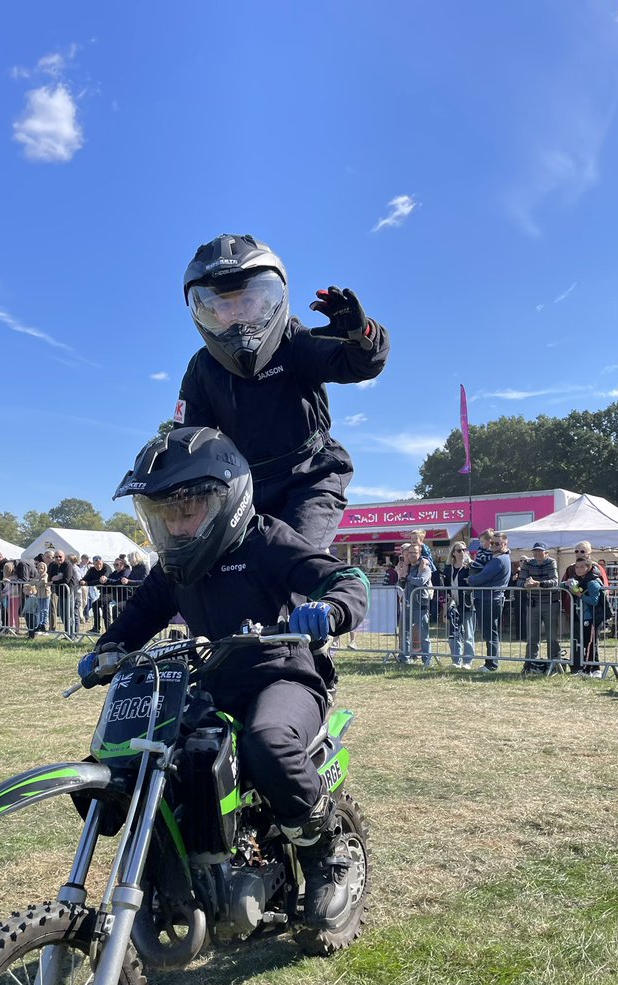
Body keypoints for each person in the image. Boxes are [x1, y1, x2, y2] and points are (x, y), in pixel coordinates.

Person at [78, 426, 368, 930]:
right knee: (133, 757)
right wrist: (107, 651)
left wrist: (331, 607)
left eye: (187, 509)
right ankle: (173, 866)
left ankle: (324, 855)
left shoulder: (265, 540)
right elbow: (138, 618)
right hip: (213, 683)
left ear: (225, 499)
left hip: (284, 678)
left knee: (269, 741)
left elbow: (345, 578)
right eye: (165, 513)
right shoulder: (174, 568)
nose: (178, 524)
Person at [176, 234, 390, 551]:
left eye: (246, 301)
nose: (236, 313)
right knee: (225, 576)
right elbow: (189, 439)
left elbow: (359, 365)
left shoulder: (293, 341)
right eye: (225, 304)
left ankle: (331, 595)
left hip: (310, 477)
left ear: (267, 300)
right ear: (207, 310)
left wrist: (362, 335)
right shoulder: (203, 369)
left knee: (288, 565)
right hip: (242, 488)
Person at [468, 532, 511, 672]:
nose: (493, 545)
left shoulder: (498, 560)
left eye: (497, 543)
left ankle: (492, 664)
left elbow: (481, 577)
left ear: (504, 544)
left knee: (490, 632)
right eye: (492, 543)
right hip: (489, 598)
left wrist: (470, 580)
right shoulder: (497, 558)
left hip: (490, 599)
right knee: (489, 631)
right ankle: (490, 662)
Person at [561, 557, 608, 676]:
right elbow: (562, 586)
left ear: (589, 568)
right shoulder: (578, 580)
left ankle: (590, 669)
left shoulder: (592, 582)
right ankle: (586, 669)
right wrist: (566, 583)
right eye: (577, 567)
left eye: (582, 567)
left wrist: (580, 595)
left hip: (592, 617)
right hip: (583, 616)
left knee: (590, 644)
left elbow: (594, 601)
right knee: (585, 642)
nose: (578, 569)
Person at [518, 541, 560, 673]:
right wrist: (526, 585)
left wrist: (538, 584)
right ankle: (530, 665)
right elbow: (519, 581)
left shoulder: (551, 562)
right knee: (532, 637)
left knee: (552, 636)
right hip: (533, 603)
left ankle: (554, 665)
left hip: (551, 603)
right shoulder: (527, 564)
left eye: (540, 551)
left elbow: (554, 581)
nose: (537, 553)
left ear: (546, 553)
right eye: (535, 551)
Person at [400, 544, 433, 667]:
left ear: (419, 554)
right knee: (405, 633)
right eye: (410, 553)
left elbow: (421, 581)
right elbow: (401, 582)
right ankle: (405, 657)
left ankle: (427, 659)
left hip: (420, 604)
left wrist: (408, 577)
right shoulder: (407, 567)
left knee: (424, 633)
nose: (412, 555)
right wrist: (402, 577)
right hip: (408, 603)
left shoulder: (425, 567)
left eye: (415, 552)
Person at [443, 542, 475, 668]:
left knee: (468, 633)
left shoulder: (470, 566)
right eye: (459, 550)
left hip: (467, 603)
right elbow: (446, 584)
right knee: (454, 633)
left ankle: (467, 661)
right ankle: (456, 660)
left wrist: (471, 566)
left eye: (464, 550)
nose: (462, 552)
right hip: (453, 603)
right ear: (453, 553)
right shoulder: (449, 567)